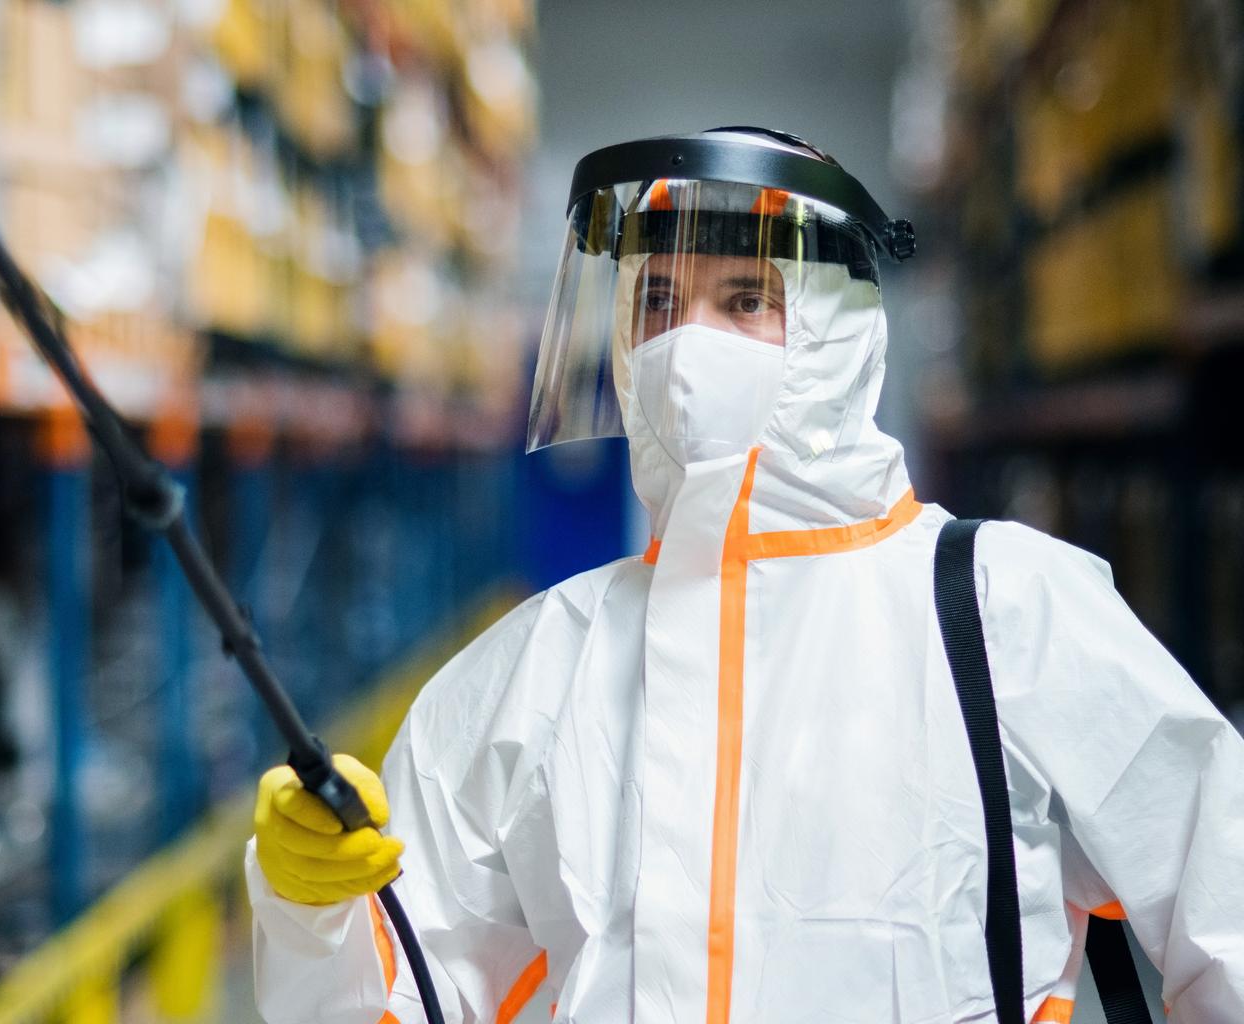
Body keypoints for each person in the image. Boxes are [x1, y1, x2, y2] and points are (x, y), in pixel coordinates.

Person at [243, 127, 1244, 1023]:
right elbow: (397, 992)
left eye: (744, 299)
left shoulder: (1006, 612)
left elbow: (1226, 914)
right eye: (660, 302)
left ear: (837, 328)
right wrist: (313, 909)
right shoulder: (540, 667)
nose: (686, 347)